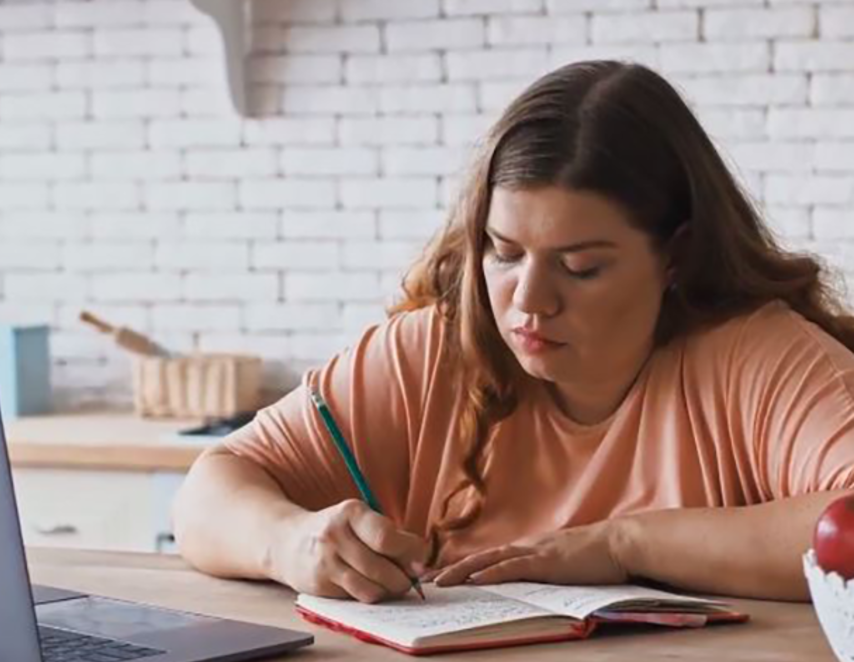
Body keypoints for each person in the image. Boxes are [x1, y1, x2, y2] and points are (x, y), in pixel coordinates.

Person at [173, 60, 854, 604]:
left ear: (674, 256)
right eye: (504, 253)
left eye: (580, 267)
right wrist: (291, 542)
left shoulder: (759, 357)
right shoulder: (433, 351)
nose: (528, 301)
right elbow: (209, 492)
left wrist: (626, 546)